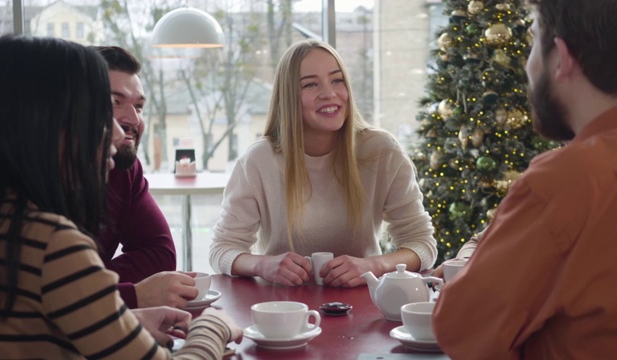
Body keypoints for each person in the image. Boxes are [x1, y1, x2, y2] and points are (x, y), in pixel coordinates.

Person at [0, 35, 241, 358]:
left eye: (138, 106)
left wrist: (117, 316)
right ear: (43, 125)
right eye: (96, 115)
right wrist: (213, 326)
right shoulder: (53, 245)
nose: (118, 132)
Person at [433, 0, 617, 358]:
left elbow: (462, 324)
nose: (527, 66)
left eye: (533, 43)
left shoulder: (570, 179)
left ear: (561, 58)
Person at [209, 39, 437, 287]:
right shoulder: (259, 160)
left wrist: (373, 265)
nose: (329, 94)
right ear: (289, 97)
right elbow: (222, 249)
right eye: (310, 84)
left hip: (363, 302)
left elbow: (422, 244)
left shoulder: (382, 151)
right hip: (283, 308)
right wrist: (263, 265)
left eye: (337, 80)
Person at [92, 46, 198, 309]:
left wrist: (90, 288)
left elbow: (159, 255)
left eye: (138, 106)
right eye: (114, 102)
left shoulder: (125, 169)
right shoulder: (35, 182)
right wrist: (129, 294)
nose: (133, 119)